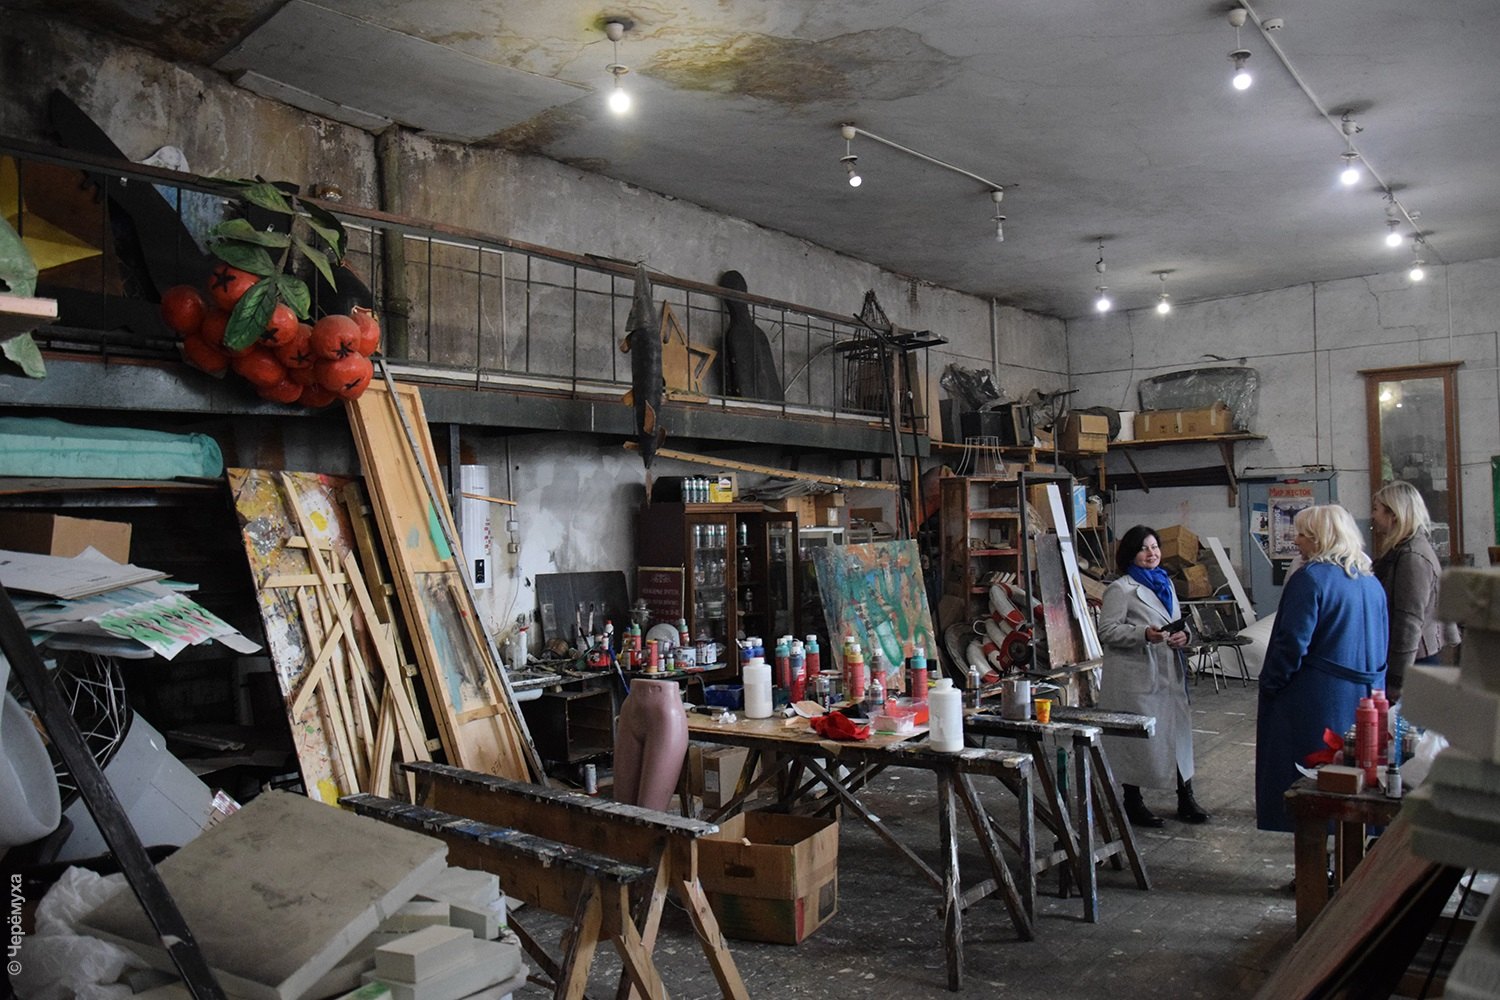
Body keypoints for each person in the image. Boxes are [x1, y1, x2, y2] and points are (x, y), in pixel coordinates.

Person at [1256, 505, 1388, 832]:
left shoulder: (1311, 579)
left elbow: (1291, 644)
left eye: (1302, 534)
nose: (1296, 541)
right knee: (1356, 781)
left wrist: (1271, 683)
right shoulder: (1369, 581)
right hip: (1365, 698)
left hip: (1316, 699)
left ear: (1320, 538)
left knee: (1312, 786)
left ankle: (1316, 854)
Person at [1096, 524, 1208, 827]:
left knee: (1179, 736)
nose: (1151, 553)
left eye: (1155, 547)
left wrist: (1184, 635)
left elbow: (1175, 621)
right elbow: (1107, 631)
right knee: (1137, 743)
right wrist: (1142, 634)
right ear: (1131, 554)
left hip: (1170, 673)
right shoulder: (1121, 589)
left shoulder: (1165, 583)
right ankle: (1132, 802)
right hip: (1137, 677)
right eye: (1144, 548)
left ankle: (1186, 797)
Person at [1371, 480, 1456, 704]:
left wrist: (1397, 680)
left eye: (1376, 509)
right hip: (1414, 660)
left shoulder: (1411, 556)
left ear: (1394, 514)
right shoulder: (1403, 550)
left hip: (1414, 663)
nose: (1373, 516)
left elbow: (1409, 621)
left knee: (1410, 726)